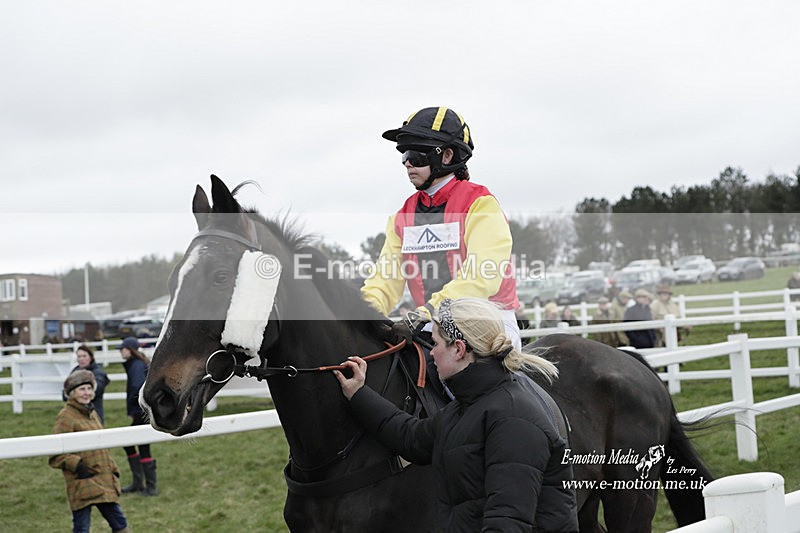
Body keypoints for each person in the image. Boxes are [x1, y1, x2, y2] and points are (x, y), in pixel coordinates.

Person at [333, 298, 578, 532]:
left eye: (436, 344)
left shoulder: (513, 418)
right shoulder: (467, 406)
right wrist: (359, 394)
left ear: (459, 349)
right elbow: (412, 438)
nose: (431, 353)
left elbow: (507, 521)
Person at [361, 106, 522, 350]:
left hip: (489, 324)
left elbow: (481, 275)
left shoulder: (480, 204)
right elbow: (385, 278)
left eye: (416, 156)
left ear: (446, 156)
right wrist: (361, 311)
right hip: (429, 326)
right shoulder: (402, 217)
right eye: (404, 155)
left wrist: (428, 311)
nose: (407, 164)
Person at [49, 370, 130, 533]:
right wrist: (78, 466)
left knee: (119, 522)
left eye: (89, 388)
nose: (86, 393)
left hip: (103, 478)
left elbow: (101, 444)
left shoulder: (92, 413)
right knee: (82, 527)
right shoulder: (66, 416)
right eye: (81, 389)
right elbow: (56, 453)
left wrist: (112, 467)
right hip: (82, 481)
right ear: (72, 393)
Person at [119, 337, 158, 496]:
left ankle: (148, 486)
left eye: (123, 348)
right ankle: (142, 483)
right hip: (141, 411)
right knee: (135, 444)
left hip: (141, 412)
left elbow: (137, 387)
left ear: (130, 349)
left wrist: (135, 408)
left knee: (138, 445)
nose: (121, 351)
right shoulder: (137, 363)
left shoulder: (135, 365)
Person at [63, 345, 110, 424]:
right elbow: (65, 392)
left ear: (90, 357)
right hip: (75, 415)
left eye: (84, 356)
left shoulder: (98, 373)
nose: (81, 359)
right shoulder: (75, 372)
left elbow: (96, 390)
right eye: (79, 356)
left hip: (94, 413)